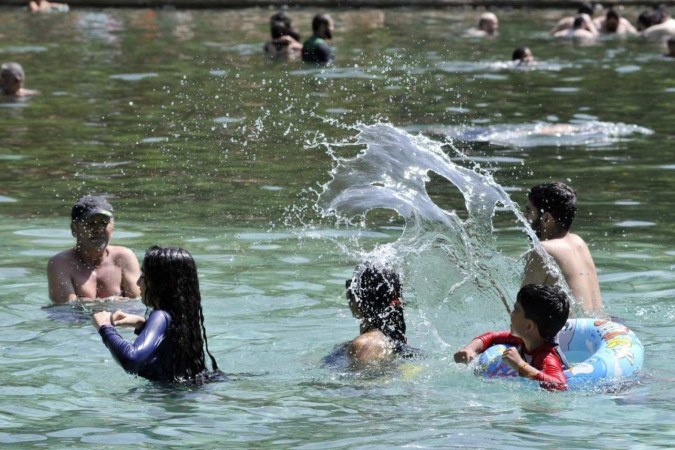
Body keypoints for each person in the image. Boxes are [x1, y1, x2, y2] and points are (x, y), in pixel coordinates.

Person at [91, 245, 219, 382]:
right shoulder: (182, 317)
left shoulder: (161, 316)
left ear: (162, 284)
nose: (138, 282)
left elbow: (131, 359)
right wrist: (143, 326)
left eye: (144, 276)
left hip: (164, 398)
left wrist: (105, 328)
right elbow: (167, 354)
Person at [454, 284, 570, 391]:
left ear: (528, 326)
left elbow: (559, 385)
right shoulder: (524, 339)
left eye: (516, 309)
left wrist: (520, 365)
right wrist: (470, 349)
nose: (511, 313)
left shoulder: (547, 357)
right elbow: (492, 336)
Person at [522, 182, 603, 315]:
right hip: (605, 327)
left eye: (529, 211)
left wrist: (490, 285)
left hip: (576, 334)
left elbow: (521, 315)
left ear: (546, 218)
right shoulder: (579, 242)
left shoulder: (543, 250)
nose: (524, 218)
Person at [47, 196, 141, 303]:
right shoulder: (61, 263)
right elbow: (65, 308)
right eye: (91, 223)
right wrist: (111, 302)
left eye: (104, 223)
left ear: (113, 227)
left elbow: (136, 303)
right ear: (74, 229)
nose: (98, 229)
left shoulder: (124, 258)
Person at [328, 261, 412, 364]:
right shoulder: (394, 341)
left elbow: (365, 379)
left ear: (358, 300)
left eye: (352, 286)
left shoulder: (364, 345)